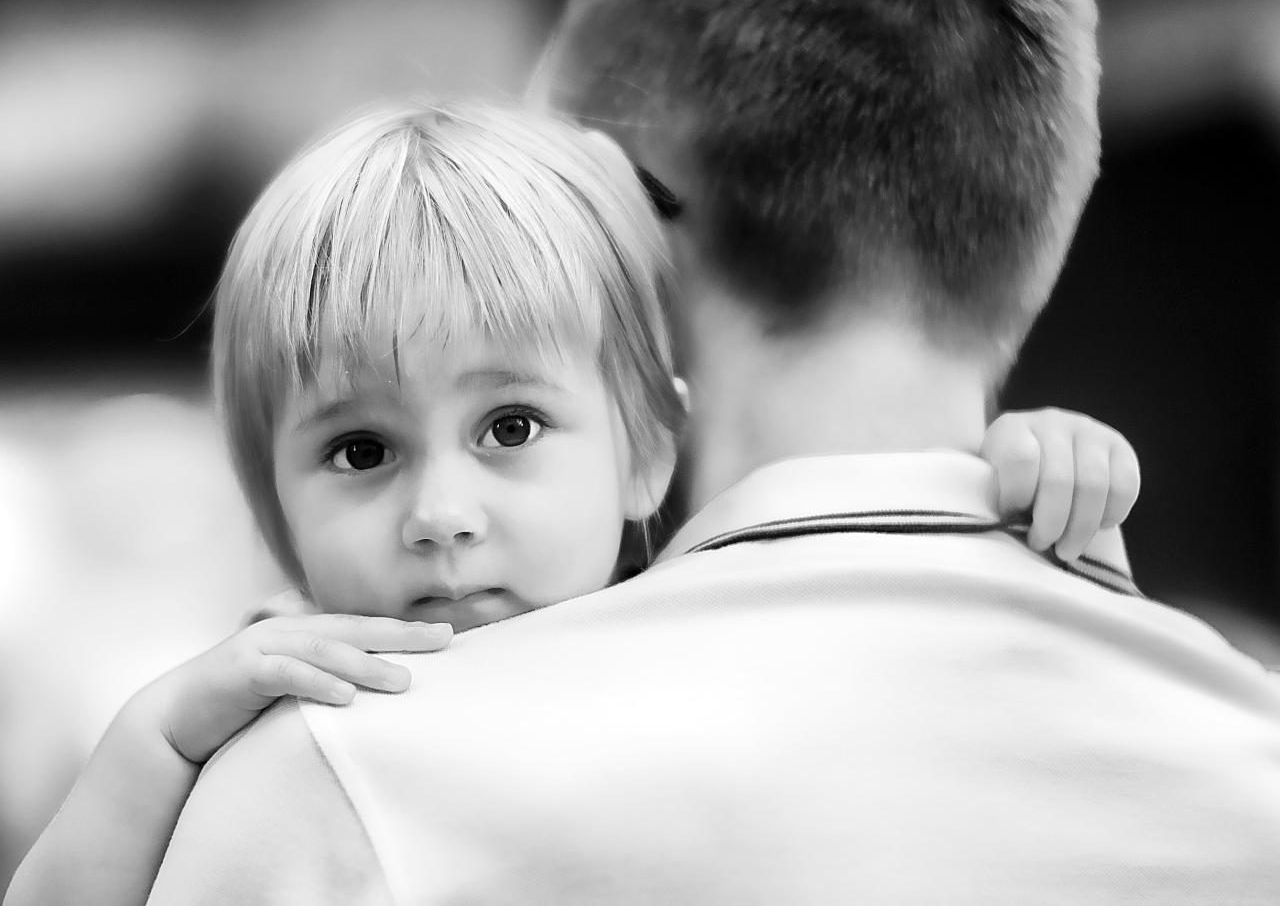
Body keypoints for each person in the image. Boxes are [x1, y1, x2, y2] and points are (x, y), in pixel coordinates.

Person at [4, 94, 1138, 906]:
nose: (440, 512)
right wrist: (155, 741)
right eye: (359, 451)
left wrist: (1046, 485)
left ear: (647, 451)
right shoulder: (284, 694)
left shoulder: (713, 604)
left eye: (510, 429)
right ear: (274, 517)